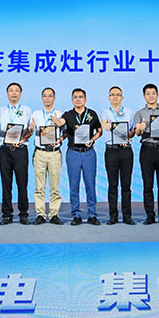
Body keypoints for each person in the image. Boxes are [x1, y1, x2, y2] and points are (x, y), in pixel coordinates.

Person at [133, 83, 159, 225]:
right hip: (147, 149)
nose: (151, 96)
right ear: (144, 96)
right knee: (148, 185)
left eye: (153, 93)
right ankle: (150, 215)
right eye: (148, 94)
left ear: (157, 95)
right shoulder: (139, 113)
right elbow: (137, 133)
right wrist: (140, 128)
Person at [60, 88, 102, 226]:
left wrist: (93, 139)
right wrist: (57, 122)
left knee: (90, 184)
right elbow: (62, 125)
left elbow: (99, 131)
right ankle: (76, 215)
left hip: (89, 152)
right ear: (72, 100)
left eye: (80, 97)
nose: (78, 99)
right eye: (75, 97)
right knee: (74, 185)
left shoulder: (92, 114)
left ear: (85, 99)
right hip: (73, 153)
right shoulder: (68, 115)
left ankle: (92, 215)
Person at [0, 82, 33, 225]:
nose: (14, 93)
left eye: (17, 90)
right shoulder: (1, 111)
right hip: (5, 150)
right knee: (6, 183)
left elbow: (30, 130)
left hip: (20, 150)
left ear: (20, 94)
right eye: (11, 90)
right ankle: (7, 215)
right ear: (7, 94)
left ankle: (23, 214)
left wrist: (27, 134)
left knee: (22, 183)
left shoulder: (26, 110)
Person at [29, 87, 65, 225]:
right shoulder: (36, 114)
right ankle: (41, 214)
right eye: (45, 95)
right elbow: (30, 129)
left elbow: (66, 132)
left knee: (55, 186)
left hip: (54, 153)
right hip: (40, 152)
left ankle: (54, 214)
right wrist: (31, 128)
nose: (47, 98)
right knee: (39, 186)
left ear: (54, 98)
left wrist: (60, 139)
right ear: (42, 98)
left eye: (50, 96)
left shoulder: (60, 114)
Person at [100, 86, 136, 225]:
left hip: (126, 151)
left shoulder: (129, 112)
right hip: (111, 151)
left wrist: (128, 137)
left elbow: (132, 130)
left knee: (126, 185)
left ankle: (127, 216)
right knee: (112, 185)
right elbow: (104, 124)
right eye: (112, 94)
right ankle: (113, 216)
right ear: (108, 98)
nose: (115, 97)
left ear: (122, 97)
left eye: (118, 94)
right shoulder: (105, 112)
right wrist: (106, 126)